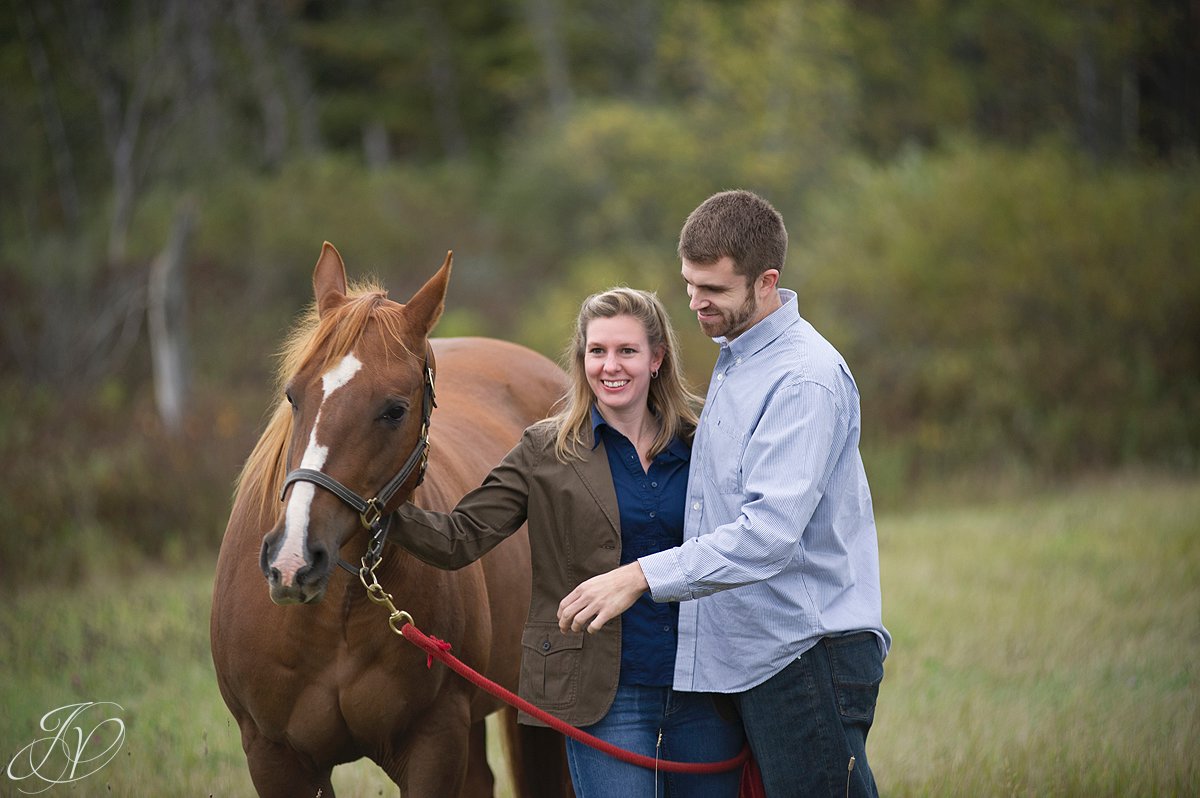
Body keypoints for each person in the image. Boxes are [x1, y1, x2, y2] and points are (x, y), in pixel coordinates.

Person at [557, 190, 891, 798]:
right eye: (689, 283)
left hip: (804, 655)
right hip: (760, 659)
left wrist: (638, 576)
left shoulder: (802, 378)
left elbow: (766, 537)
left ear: (767, 282)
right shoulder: (740, 358)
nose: (694, 302)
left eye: (713, 289)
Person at [388, 287, 745, 797]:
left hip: (703, 684)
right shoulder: (545, 449)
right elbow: (460, 537)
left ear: (657, 358)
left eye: (626, 351)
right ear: (582, 359)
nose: (609, 366)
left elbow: (746, 538)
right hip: (602, 693)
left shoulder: (705, 438)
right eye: (597, 351)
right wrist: (377, 512)